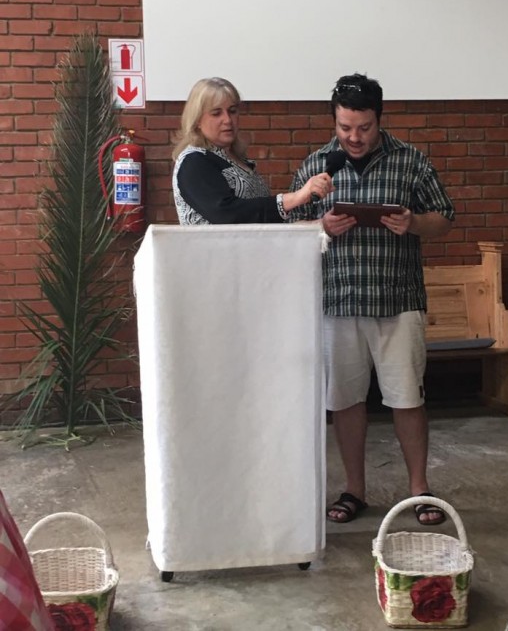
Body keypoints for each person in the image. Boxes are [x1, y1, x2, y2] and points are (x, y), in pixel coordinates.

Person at [289, 73, 455, 525]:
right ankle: (354, 490)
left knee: (407, 398)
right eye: (345, 127)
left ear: (379, 119)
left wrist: (414, 223)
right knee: (344, 400)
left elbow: (445, 217)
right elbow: (289, 230)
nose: (354, 137)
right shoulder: (317, 165)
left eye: (364, 127)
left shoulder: (410, 161)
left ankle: (419, 490)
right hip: (338, 301)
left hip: (397, 300)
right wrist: (321, 226)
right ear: (334, 121)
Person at [172, 77, 334, 224]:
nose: (227, 120)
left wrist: (315, 225)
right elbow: (226, 213)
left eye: (232, 111)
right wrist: (296, 197)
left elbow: (259, 219)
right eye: (216, 113)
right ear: (197, 120)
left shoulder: (234, 158)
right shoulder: (194, 162)